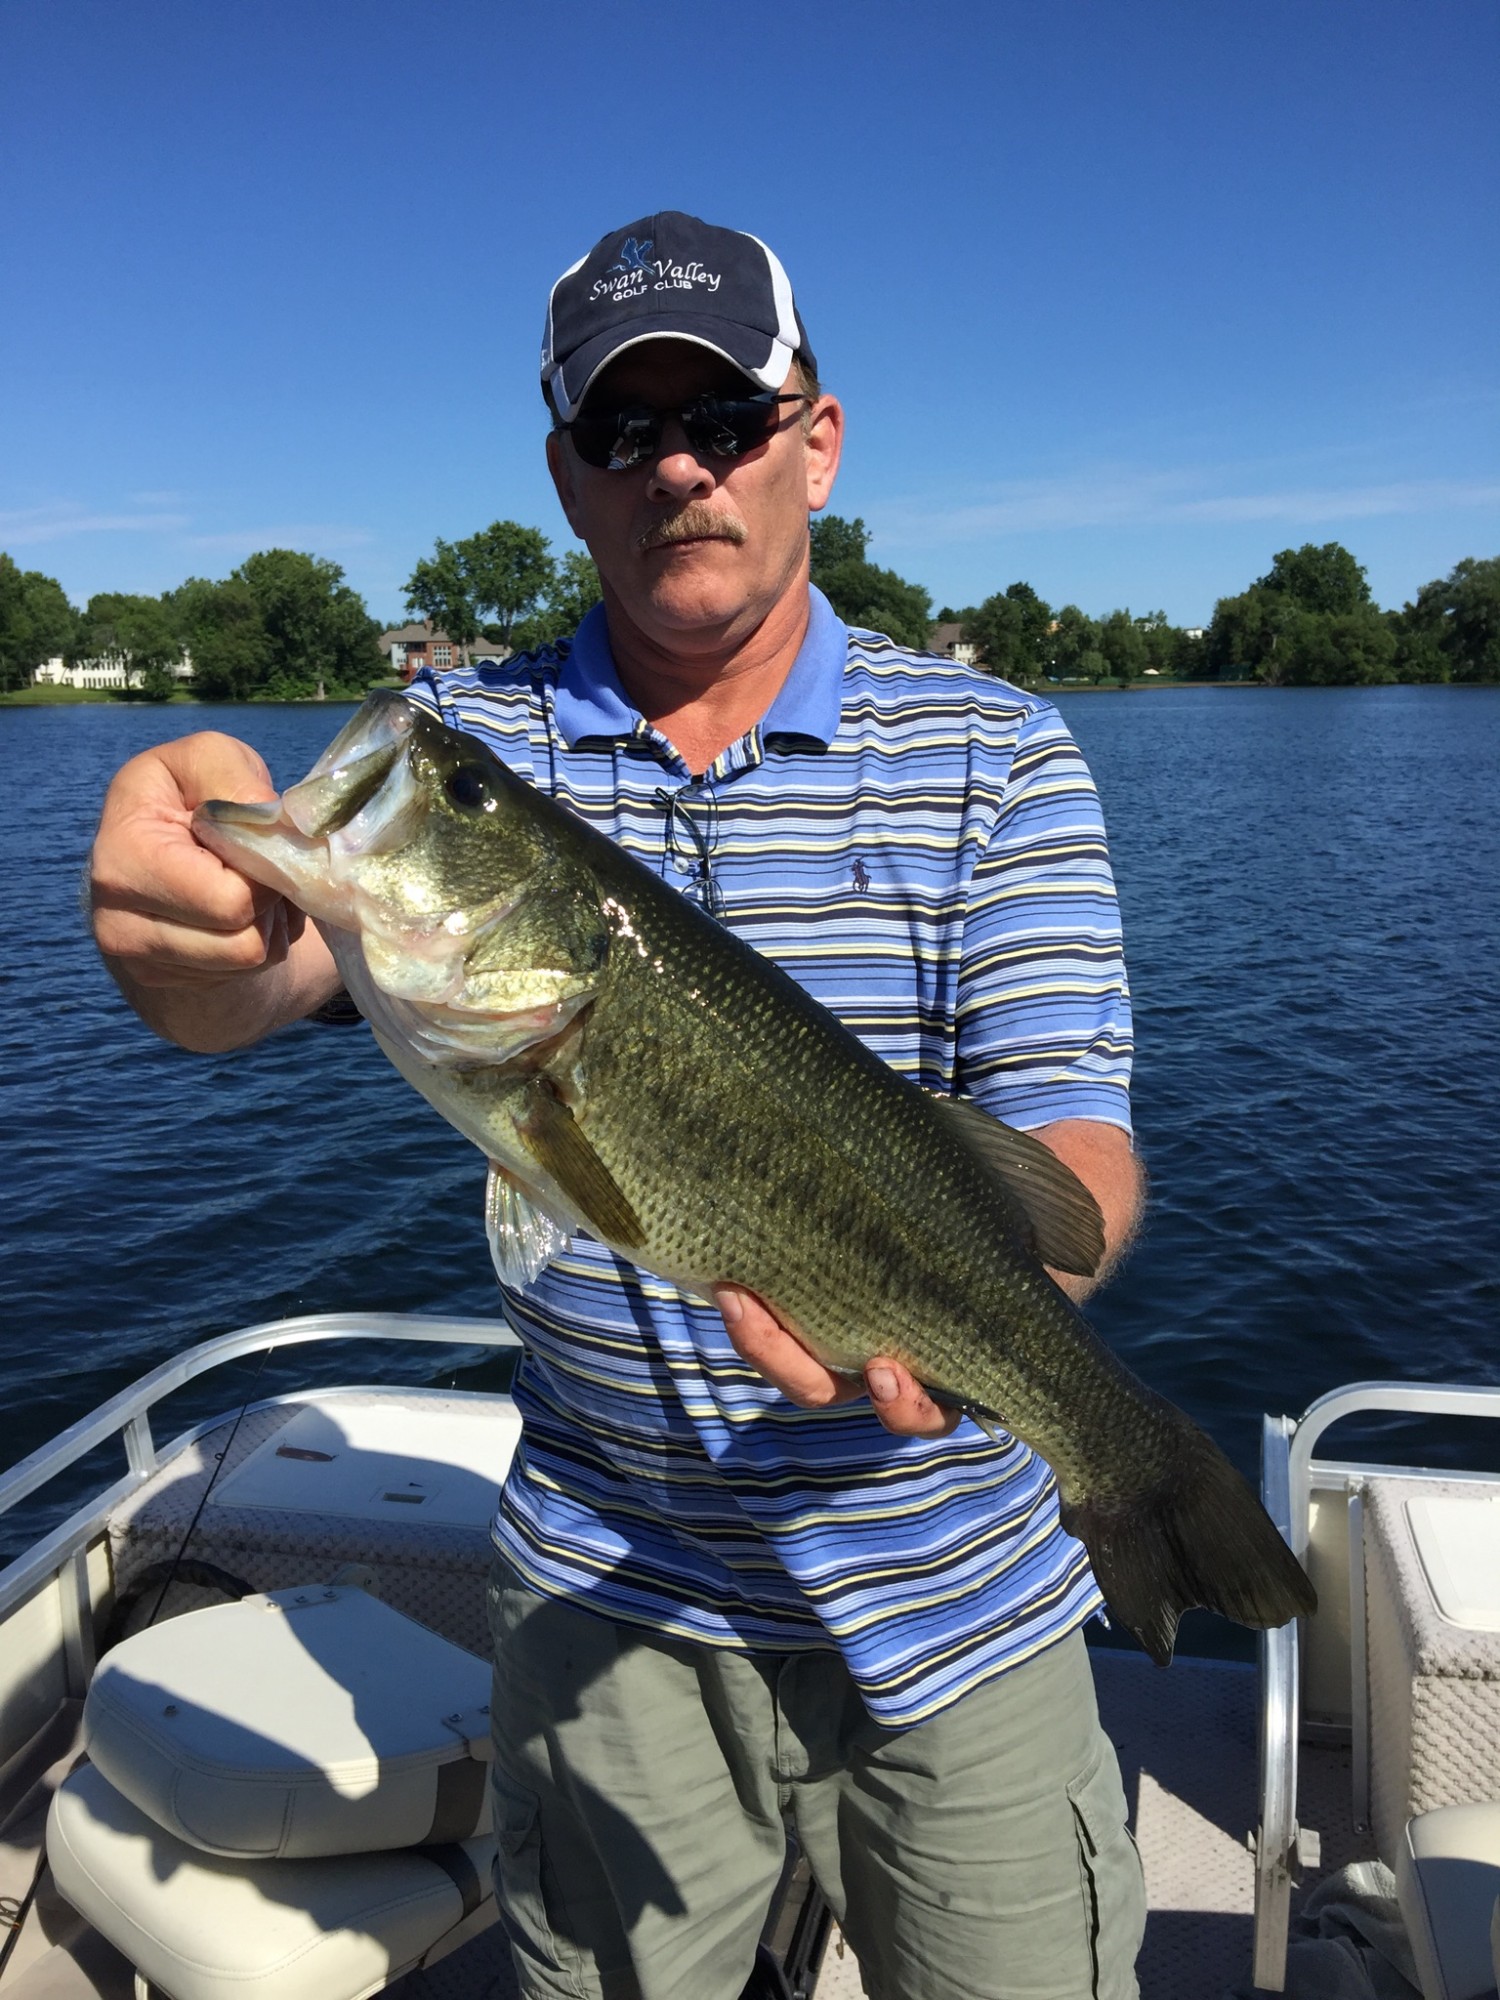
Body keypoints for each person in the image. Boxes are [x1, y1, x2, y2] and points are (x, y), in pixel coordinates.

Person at [90, 212, 1148, 2000]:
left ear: (817, 437)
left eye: (726, 422)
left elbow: (1074, 1147)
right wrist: (177, 935)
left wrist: (1017, 1323)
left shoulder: (1002, 752)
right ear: (566, 476)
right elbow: (266, 975)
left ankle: (1135, 1473)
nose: (679, 469)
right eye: (622, 433)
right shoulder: (471, 753)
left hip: (964, 1595)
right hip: (610, 1600)